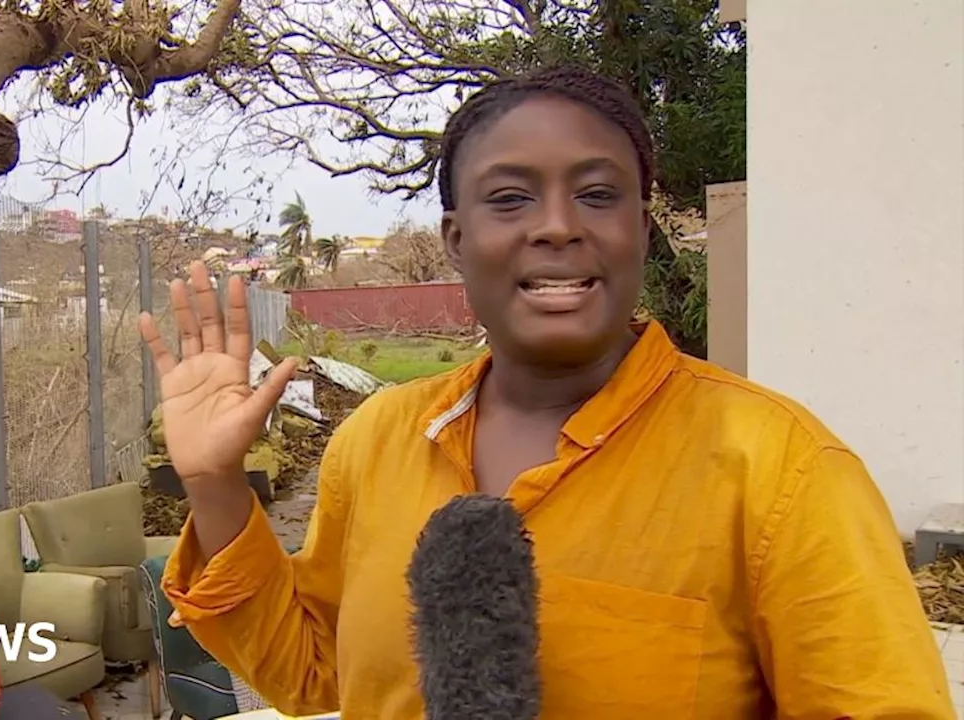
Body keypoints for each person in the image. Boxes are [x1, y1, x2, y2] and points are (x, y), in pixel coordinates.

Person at [137, 65, 952, 719]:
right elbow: (313, 675)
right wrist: (213, 485)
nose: (558, 225)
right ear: (458, 240)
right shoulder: (376, 442)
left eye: (598, 194)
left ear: (639, 225)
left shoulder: (782, 469)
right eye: (510, 198)